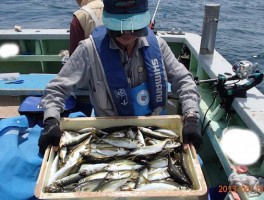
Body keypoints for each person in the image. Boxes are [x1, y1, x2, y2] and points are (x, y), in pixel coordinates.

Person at [38, 0, 203, 154]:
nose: (127, 33)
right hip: (108, 134)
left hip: (153, 130)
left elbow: (184, 81)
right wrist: (51, 121)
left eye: (134, 26)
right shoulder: (88, 50)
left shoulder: (158, 46)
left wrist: (191, 118)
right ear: (108, 21)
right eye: (119, 26)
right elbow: (57, 88)